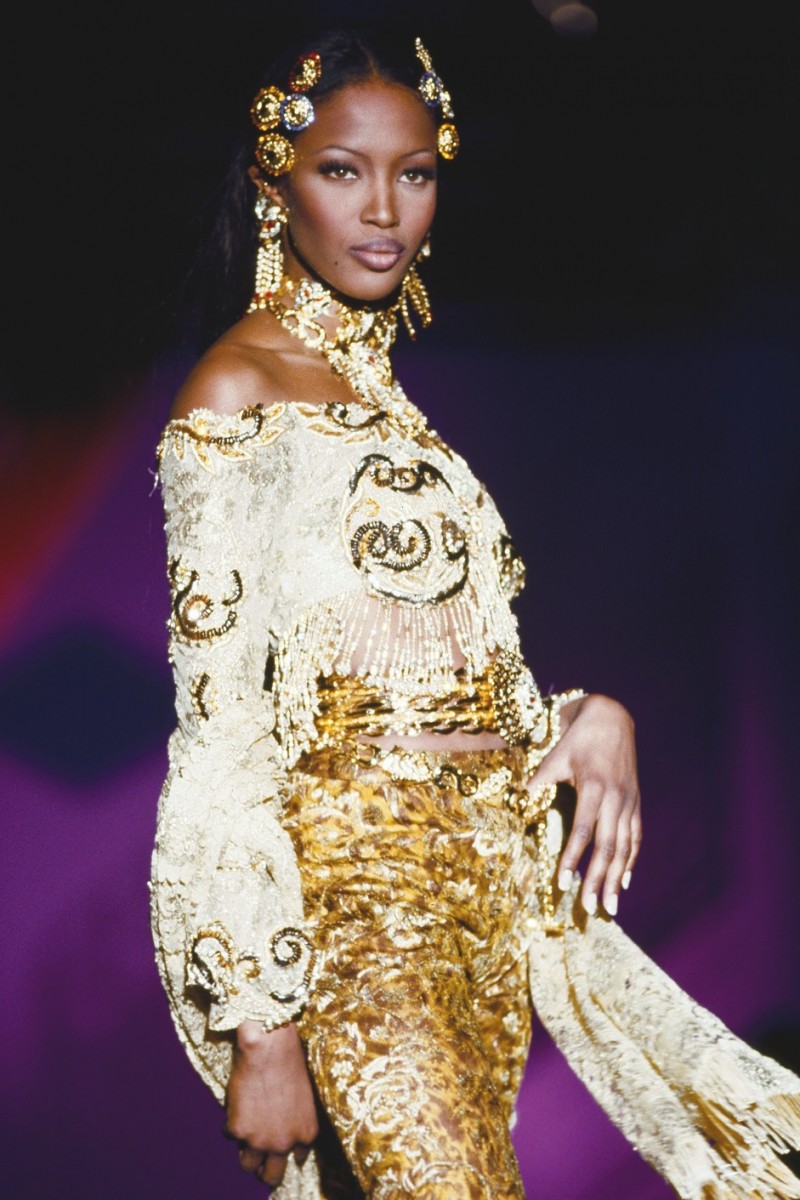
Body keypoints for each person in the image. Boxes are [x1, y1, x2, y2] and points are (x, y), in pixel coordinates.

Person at [150, 26, 800, 1200]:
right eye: (341, 170)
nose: (383, 209)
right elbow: (221, 733)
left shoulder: (395, 411)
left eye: (414, 172)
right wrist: (261, 1024)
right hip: (354, 913)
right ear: (272, 186)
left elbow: (441, 675)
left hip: (484, 913)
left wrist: (586, 715)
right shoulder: (236, 391)